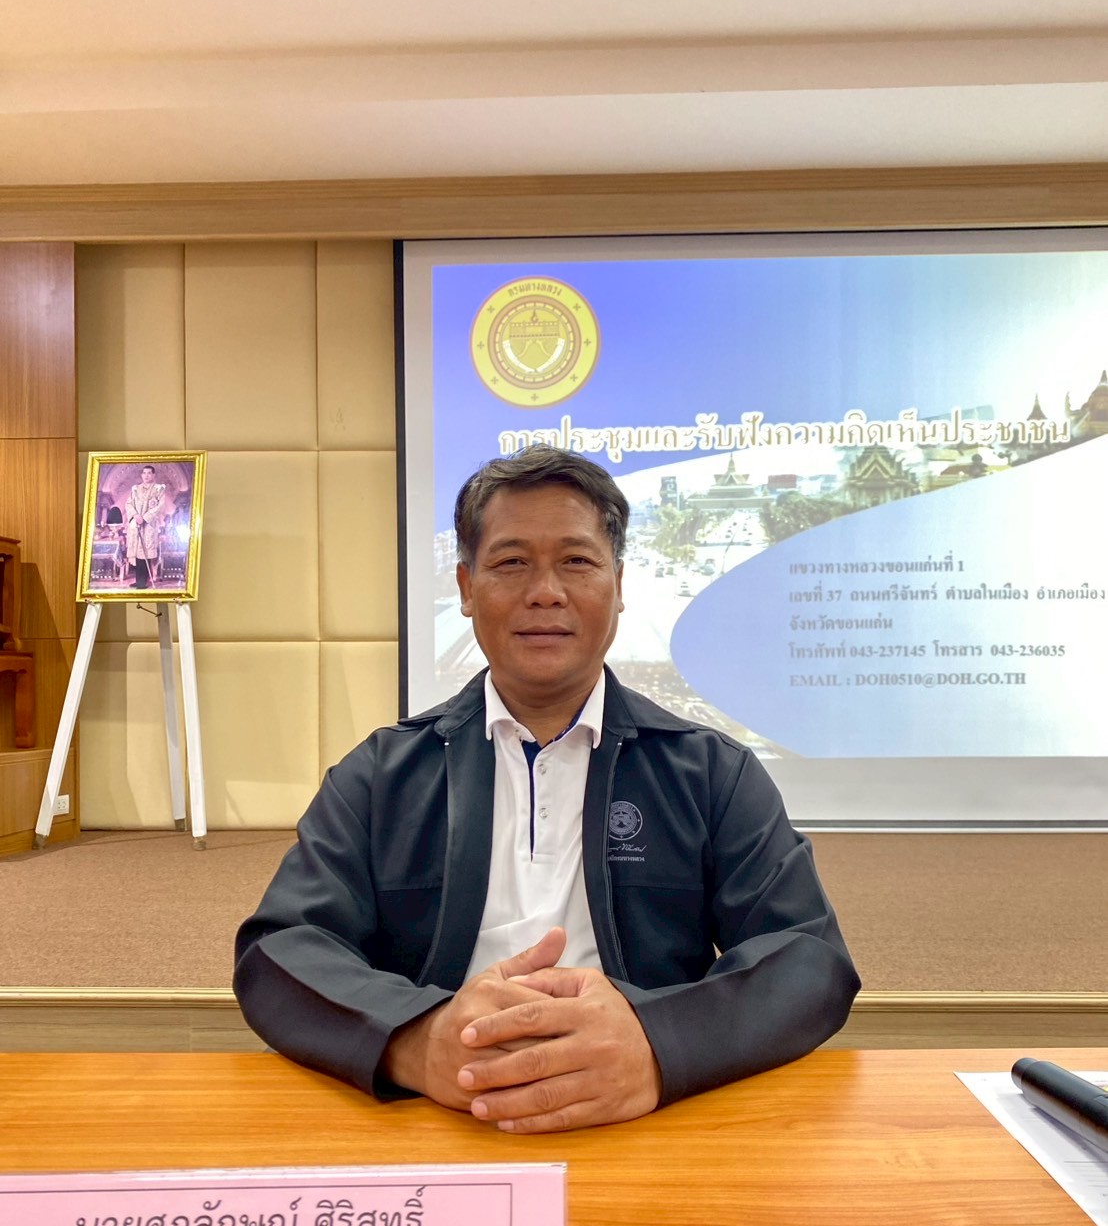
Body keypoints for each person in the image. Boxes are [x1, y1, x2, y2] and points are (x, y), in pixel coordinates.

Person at [234, 446, 859, 1133]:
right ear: (466, 587)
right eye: (511, 563)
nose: (545, 592)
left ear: (618, 583)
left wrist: (657, 1043)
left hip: (639, 1117)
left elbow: (809, 958)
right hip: (438, 1114)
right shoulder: (381, 776)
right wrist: (419, 1039)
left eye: (577, 561)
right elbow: (279, 950)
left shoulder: (710, 771)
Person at [125, 464, 165, 589]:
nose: (146, 476)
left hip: (149, 525)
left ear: (153, 475)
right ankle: (138, 580)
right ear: (141, 475)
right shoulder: (135, 489)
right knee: (137, 553)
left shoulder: (158, 489)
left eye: (149, 473)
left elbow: (160, 506)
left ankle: (143, 581)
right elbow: (128, 504)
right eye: (144, 473)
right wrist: (135, 515)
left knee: (145, 552)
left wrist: (145, 517)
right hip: (136, 523)